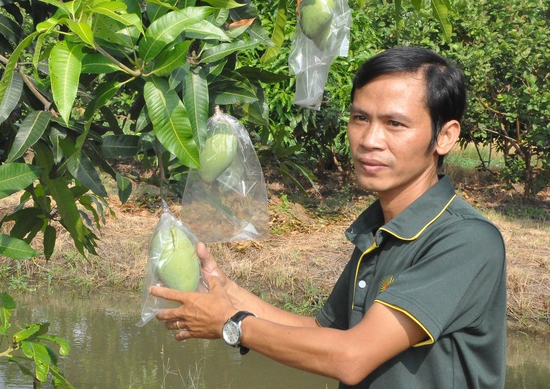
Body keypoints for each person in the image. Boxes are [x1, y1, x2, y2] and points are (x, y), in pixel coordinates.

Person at [151, 46, 507, 388]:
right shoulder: (380, 230)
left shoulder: (466, 240)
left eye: (395, 124)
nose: (369, 139)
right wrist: (228, 292)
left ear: (445, 136)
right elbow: (326, 336)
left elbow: (352, 357)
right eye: (360, 118)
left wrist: (232, 323)